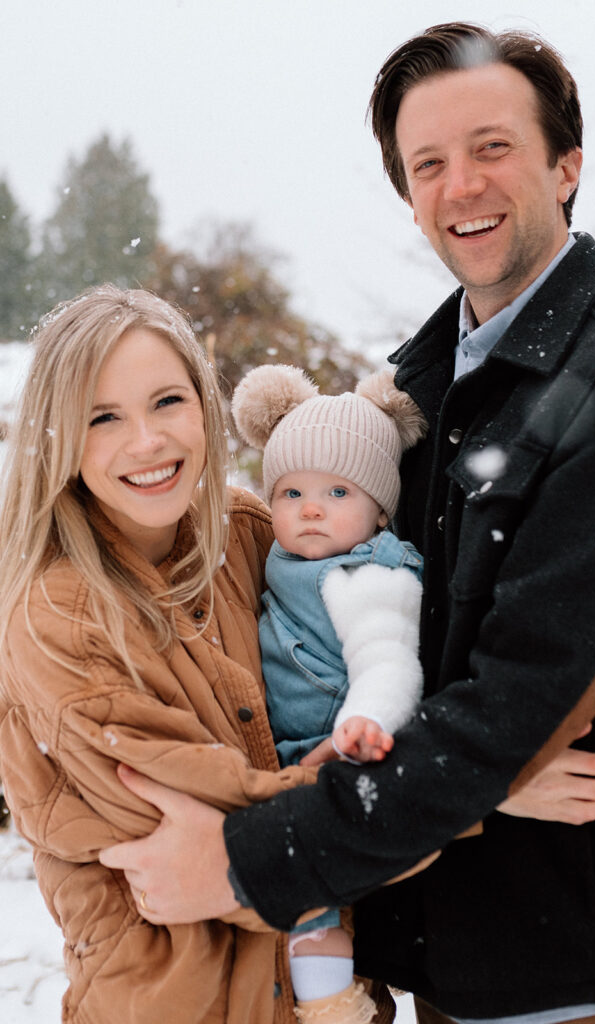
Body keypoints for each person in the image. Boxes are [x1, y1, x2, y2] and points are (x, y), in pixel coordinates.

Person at [99, 18, 595, 1024]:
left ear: (565, 166)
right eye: (428, 163)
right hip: (446, 970)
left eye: (491, 148)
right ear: (408, 197)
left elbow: (519, 701)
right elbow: (362, 663)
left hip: (589, 985)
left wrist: (247, 862)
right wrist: (489, 787)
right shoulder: (412, 398)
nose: (460, 186)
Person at [0, 285, 327, 1024]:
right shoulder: (58, 617)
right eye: (102, 417)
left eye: (168, 401)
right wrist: (464, 792)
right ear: (58, 436)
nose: (147, 441)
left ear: (205, 408)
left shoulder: (254, 537)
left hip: (319, 998)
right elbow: (208, 852)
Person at [231, 362, 428, 1022]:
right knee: (301, 906)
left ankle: (333, 1010)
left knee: (312, 911)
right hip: (284, 766)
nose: (310, 507)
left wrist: (365, 719)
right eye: (290, 492)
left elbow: (389, 661)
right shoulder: (278, 562)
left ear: (378, 512)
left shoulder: (367, 577)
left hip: (341, 757)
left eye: (338, 492)